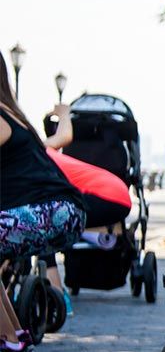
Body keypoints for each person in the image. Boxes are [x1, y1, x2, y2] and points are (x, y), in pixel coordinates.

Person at [0, 54, 86, 352]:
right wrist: (64, 114)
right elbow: (61, 138)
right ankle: (15, 342)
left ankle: (9, 342)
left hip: (51, 211)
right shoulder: (13, 114)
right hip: (64, 211)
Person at [40, 103, 133, 316]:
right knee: (46, 228)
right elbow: (64, 136)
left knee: (44, 231)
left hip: (107, 197)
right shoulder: (37, 150)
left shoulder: (33, 157)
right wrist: (63, 114)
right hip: (116, 195)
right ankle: (56, 295)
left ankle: (58, 299)